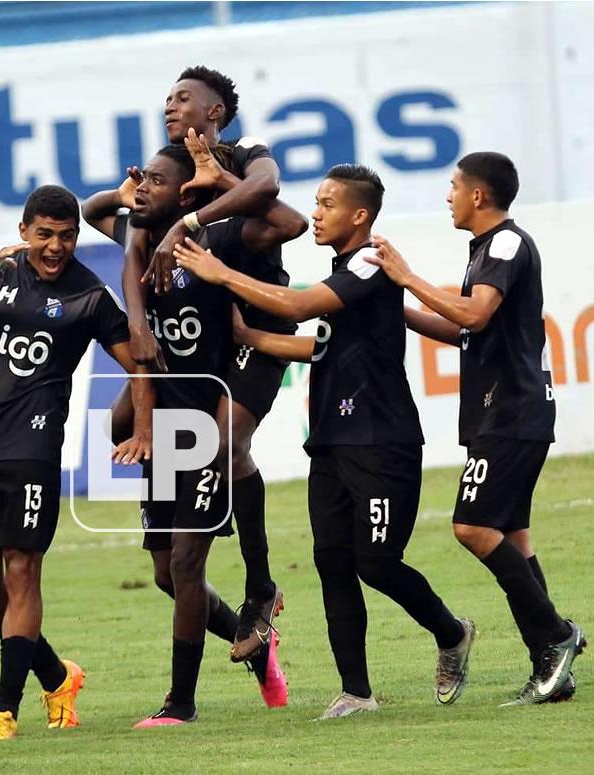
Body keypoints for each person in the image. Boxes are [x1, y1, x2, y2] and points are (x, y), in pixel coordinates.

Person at [173, 164, 475, 719]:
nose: (315, 212)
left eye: (327, 203)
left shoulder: (371, 260)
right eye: (315, 201)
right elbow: (320, 346)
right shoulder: (345, 271)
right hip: (332, 441)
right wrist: (250, 337)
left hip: (382, 440)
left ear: (359, 215)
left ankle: (452, 632)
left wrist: (220, 273)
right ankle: (356, 693)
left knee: (377, 563)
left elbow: (297, 307)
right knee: (332, 561)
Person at [0, 185, 154, 740]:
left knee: (21, 570)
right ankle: (54, 673)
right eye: (45, 235)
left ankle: (4, 710)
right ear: (24, 232)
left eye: (67, 236)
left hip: (34, 448)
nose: (56, 247)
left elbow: (139, 362)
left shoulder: (89, 297)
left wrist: (142, 428)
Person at [84, 143, 304, 725]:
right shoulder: (137, 231)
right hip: (162, 422)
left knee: (186, 564)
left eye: (157, 179)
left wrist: (209, 194)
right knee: (164, 573)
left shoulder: (218, 240)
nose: (144, 185)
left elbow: (287, 222)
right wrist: (125, 193)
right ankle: (257, 648)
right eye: (144, 179)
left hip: (204, 420)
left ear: (185, 192)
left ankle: (180, 705)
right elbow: (89, 209)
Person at [364, 151, 585, 705]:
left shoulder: (506, 243)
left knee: (472, 527)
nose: (448, 195)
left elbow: (475, 314)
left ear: (479, 195)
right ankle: (551, 669)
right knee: (512, 536)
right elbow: (466, 331)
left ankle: (557, 636)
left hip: (512, 411)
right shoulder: (486, 250)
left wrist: (407, 276)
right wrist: (396, 310)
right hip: (507, 412)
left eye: (454, 186)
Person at [119, 65, 301, 663]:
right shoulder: (165, 175)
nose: (171, 105)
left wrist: (195, 213)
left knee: (221, 445)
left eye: (184, 98)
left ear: (215, 111)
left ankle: (259, 586)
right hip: (217, 336)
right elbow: (120, 225)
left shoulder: (246, 154)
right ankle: (257, 591)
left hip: (261, 326)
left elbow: (279, 208)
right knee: (156, 432)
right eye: (167, 97)